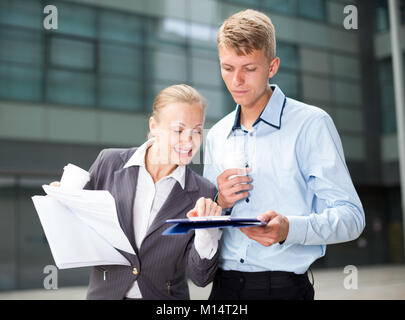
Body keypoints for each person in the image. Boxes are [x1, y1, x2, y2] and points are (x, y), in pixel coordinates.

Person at [202, 9, 366, 300]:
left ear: (272, 66)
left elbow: (352, 218)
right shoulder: (216, 135)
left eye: (249, 68)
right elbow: (209, 225)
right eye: (227, 68)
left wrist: (290, 229)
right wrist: (219, 202)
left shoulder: (311, 125)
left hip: (282, 289)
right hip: (223, 288)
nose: (236, 80)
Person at [51, 84, 222, 300]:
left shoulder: (203, 193)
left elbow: (201, 277)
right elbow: (76, 229)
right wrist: (62, 202)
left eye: (197, 131)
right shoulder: (109, 163)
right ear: (154, 126)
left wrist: (206, 233)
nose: (189, 141)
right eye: (178, 130)